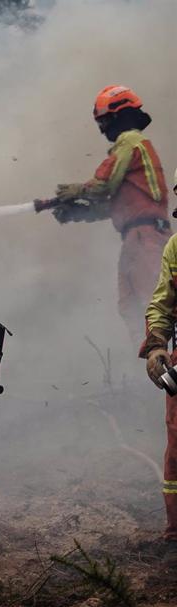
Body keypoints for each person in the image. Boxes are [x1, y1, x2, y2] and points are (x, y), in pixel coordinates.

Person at [55, 85, 169, 346]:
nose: (102, 128)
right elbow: (120, 205)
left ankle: (165, 368)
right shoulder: (137, 151)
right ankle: (147, 371)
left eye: (104, 120)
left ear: (119, 115)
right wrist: (79, 213)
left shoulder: (130, 141)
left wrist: (77, 190)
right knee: (130, 307)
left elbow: (104, 184)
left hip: (146, 238)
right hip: (138, 237)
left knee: (153, 309)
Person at [141, 169, 177, 566]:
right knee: (176, 450)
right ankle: (175, 536)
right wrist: (156, 347)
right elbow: (161, 304)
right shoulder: (176, 246)